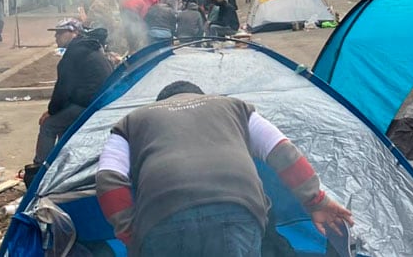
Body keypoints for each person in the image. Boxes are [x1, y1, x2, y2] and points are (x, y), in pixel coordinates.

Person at [95, 81, 354, 256]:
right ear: (202, 96)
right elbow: (282, 151)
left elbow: (109, 179)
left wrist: (130, 232)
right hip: (237, 211)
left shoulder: (132, 121)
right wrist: (316, 201)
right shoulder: (233, 107)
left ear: (159, 103)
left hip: (162, 218)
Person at [33, 18, 113, 165]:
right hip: (97, 100)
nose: (56, 37)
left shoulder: (75, 52)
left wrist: (51, 112)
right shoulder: (87, 47)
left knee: (49, 125)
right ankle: (64, 163)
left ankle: (39, 168)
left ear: (74, 33)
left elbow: (63, 89)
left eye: (60, 33)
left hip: (88, 103)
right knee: (63, 124)